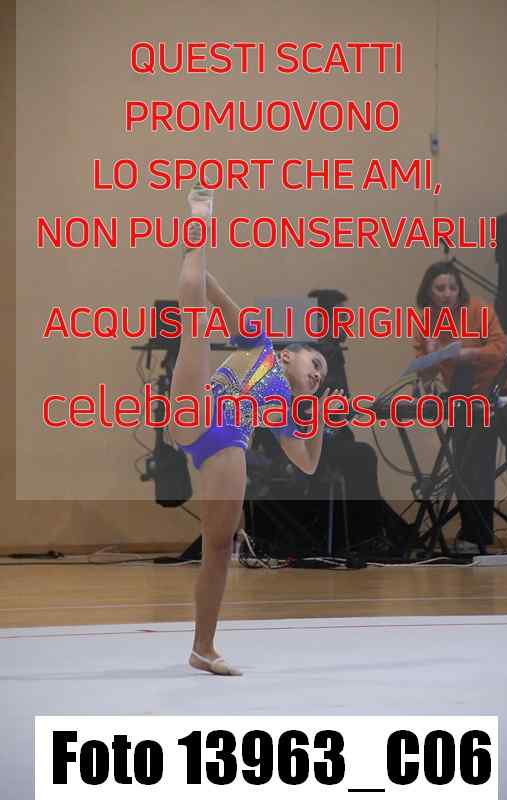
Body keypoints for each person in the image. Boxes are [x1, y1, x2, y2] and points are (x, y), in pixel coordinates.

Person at [167, 184, 342, 675]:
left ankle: (203, 648)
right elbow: (216, 293)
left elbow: (307, 463)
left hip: (226, 443)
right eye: (315, 363)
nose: (318, 375)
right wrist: (196, 261)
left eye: (322, 376)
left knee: (218, 547)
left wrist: (318, 416)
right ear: (288, 354)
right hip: (197, 409)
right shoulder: (261, 344)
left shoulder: (286, 410)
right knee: (195, 319)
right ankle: (199, 222)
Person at [413, 261, 507, 550]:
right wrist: (430, 351)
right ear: (428, 292)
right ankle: (475, 536)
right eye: (440, 288)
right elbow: (425, 371)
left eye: (453, 287)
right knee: (471, 466)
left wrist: (466, 354)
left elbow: (501, 349)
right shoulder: (426, 322)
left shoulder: (478, 309)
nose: (447, 293)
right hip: (467, 396)